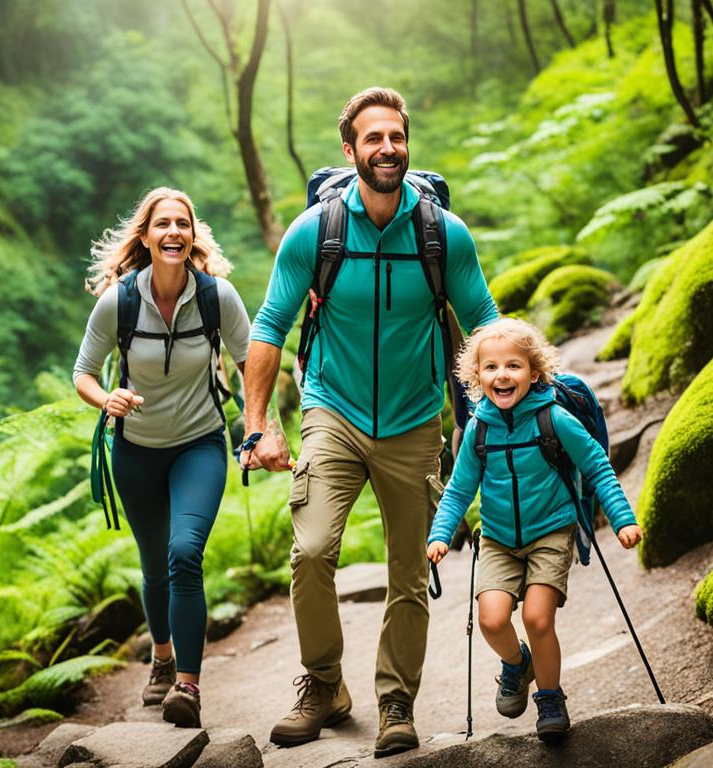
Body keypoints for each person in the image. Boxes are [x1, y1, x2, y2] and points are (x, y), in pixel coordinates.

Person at [240, 87, 499, 758]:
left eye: (397, 137)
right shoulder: (316, 232)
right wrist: (258, 421)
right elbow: (270, 324)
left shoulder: (443, 234)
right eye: (373, 138)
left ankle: (395, 700)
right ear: (350, 150)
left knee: (410, 571)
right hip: (333, 408)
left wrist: (515, 393)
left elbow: (485, 321)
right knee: (312, 549)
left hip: (415, 419)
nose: (388, 148)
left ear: (407, 146)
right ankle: (324, 683)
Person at [72, 187, 250, 729]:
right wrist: (108, 399)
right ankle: (163, 656)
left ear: (192, 236)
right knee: (153, 568)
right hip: (137, 451)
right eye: (162, 224)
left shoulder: (219, 297)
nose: (174, 232)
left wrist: (264, 429)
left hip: (200, 444)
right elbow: (83, 372)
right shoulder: (119, 301)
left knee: (183, 554)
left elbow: (252, 363)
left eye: (183, 224)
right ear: (145, 237)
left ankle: (187, 687)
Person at [426, 317, 643, 742]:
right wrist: (439, 534)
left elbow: (597, 465)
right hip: (499, 540)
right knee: (490, 619)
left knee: (537, 618)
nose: (502, 375)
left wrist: (623, 519)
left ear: (535, 372)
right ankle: (517, 665)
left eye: (513, 366)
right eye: (490, 367)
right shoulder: (478, 429)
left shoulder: (555, 419)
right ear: (477, 376)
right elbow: (458, 489)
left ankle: (549, 697)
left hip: (550, 533)